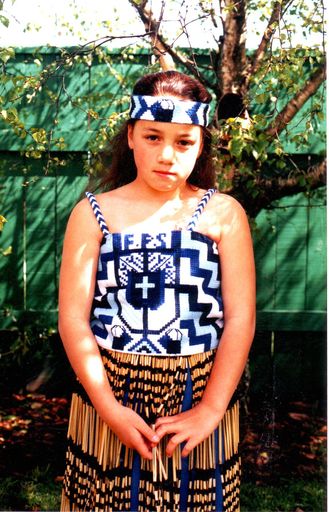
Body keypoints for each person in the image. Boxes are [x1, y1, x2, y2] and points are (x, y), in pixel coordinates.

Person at [59, 70, 256, 512]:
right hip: (108, 398)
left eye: (184, 141)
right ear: (131, 136)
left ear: (201, 144)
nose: (167, 155)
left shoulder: (223, 215)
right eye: (152, 137)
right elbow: (73, 318)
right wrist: (108, 408)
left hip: (198, 400)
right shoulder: (93, 214)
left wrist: (209, 410)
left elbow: (240, 318)